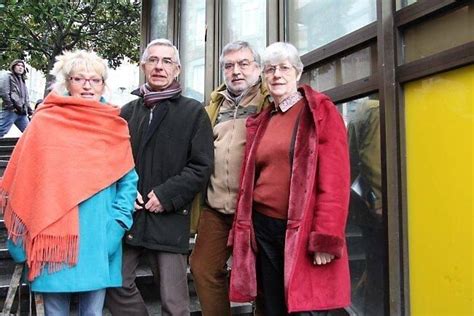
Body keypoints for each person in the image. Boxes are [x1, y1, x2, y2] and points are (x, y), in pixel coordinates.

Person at [0, 50, 138, 316]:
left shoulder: (114, 124)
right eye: (79, 78)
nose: (88, 85)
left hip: (98, 236)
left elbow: (128, 180)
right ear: (66, 82)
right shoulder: (43, 122)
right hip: (50, 234)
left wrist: (117, 224)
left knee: (93, 314)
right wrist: (21, 238)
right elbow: (22, 180)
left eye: (95, 80)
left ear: (103, 84)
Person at [228, 42, 351, 315]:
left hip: (301, 230)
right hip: (263, 225)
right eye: (270, 69)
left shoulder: (318, 112)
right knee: (272, 305)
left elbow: (336, 181)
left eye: (284, 68)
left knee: (302, 307)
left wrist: (326, 237)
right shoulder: (264, 118)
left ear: (298, 72)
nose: (277, 75)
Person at [105, 39, 214, 316]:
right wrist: (124, 194)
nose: (159, 67)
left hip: (169, 217)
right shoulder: (127, 112)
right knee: (115, 284)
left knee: (175, 303)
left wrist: (166, 196)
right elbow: (111, 162)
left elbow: (201, 166)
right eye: (153, 60)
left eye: (167, 61)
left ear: (177, 70)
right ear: (143, 66)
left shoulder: (193, 112)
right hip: (131, 215)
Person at [189, 40, 270, 316]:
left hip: (256, 209)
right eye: (229, 65)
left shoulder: (269, 101)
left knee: (262, 276)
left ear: (257, 68)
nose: (236, 71)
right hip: (217, 208)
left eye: (244, 64)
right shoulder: (213, 106)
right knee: (203, 268)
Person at [347, 99, 385, 315]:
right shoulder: (377, 109)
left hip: (364, 206)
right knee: (381, 271)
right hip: (378, 207)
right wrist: (380, 202)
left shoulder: (364, 109)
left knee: (375, 268)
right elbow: (374, 163)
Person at [0, 59, 33, 137]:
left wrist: (29, 110)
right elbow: (4, 92)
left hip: (22, 112)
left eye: (22, 66)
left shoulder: (22, 80)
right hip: (10, 111)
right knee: (1, 131)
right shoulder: (8, 76)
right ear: (13, 66)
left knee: (29, 133)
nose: (20, 67)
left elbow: (25, 97)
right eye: (18, 65)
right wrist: (11, 107)